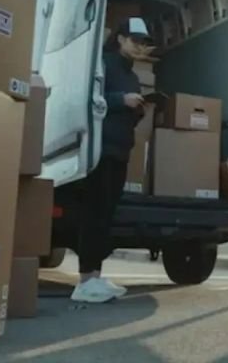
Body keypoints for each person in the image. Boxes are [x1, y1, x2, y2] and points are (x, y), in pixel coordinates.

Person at [70, 19, 154, 303]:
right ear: (120, 39)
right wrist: (121, 100)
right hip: (100, 149)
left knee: (106, 215)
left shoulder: (133, 76)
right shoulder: (103, 64)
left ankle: (95, 277)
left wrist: (138, 110)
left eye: (144, 43)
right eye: (135, 40)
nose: (140, 46)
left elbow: (127, 113)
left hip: (120, 150)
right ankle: (84, 281)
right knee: (93, 214)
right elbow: (88, 98)